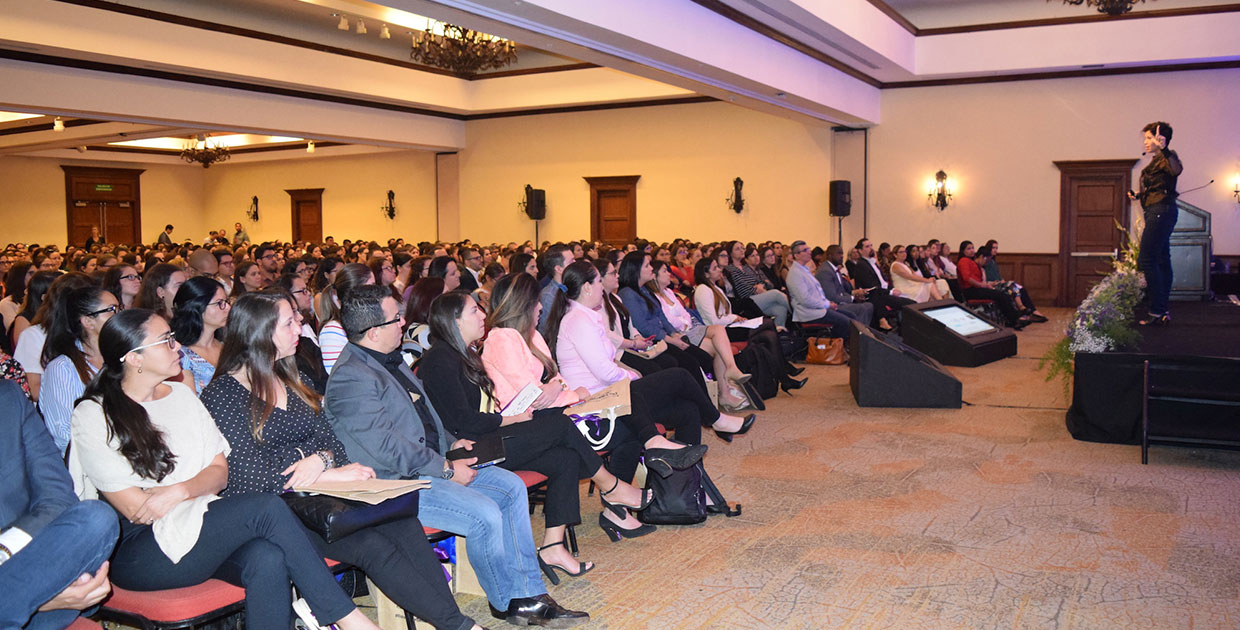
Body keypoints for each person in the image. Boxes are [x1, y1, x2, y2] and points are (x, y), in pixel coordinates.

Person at [68, 309, 383, 630]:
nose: (178, 347)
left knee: (267, 558)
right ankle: (348, 619)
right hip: (142, 550)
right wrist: (196, 485)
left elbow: (220, 472)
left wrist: (179, 490)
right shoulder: (94, 415)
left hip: (200, 520)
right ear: (134, 358)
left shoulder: (180, 395)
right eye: (166, 341)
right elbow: (138, 510)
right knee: (267, 508)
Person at [200, 292, 484, 630]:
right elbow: (247, 476)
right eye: (289, 321)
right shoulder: (223, 394)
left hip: (319, 498)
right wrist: (320, 469)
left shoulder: (294, 380)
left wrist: (319, 461)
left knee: (401, 520)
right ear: (260, 331)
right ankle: (458, 626)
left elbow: (334, 443)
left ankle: (454, 622)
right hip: (276, 517)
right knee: (372, 545)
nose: (300, 327)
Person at [323, 285, 588, 628]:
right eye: (396, 318)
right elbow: (387, 449)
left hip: (431, 463)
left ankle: (528, 594)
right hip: (398, 484)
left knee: (510, 487)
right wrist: (446, 469)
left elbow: (426, 419)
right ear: (374, 332)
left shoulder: (387, 358)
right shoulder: (351, 378)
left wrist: (455, 443)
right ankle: (508, 601)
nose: (403, 323)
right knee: (484, 514)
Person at [422, 291, 656, 577]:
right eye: (474, 311)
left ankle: (553, 547)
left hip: (487, 437)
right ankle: (611, 486)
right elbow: (463, 421)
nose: (483, 315)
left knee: (565, 458)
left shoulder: (464, 352)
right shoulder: (439, 359)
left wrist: (511, 416)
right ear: (454, 320)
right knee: (559, 426)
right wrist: (510, 419)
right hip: (469, 450)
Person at [542, 263, 755, 451]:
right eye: (598, 281)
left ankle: (684, 483)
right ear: (587, 287)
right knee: (679, 376)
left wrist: (630, 374)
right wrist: (634, 376)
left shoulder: (585, 316)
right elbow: (605, 373)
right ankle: (716, 420)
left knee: (688, 411)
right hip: (599, 398)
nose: (602, 286)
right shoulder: (578, 320)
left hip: (612, 391)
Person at [0, 380, 119, 630]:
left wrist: (9, 558)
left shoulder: (8, 397)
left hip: (32, 564)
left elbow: (57, 498)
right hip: (38, 593)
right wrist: (45, 600)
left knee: (96, 518)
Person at [693, 258, 806, 394]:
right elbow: (712, 320)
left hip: (729, 326)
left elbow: (724, 314)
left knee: (768, 333)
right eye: (715, 268)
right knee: (768, 324)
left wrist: (734, 318)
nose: (719, 269)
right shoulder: (703, 290)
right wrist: (735, 317)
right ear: (705, 274)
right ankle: (785, 373)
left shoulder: (715, 288)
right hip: (721, 332)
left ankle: (784, 376)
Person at [38, 286, 119, 453]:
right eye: (111, 310)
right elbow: (63, 433)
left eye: (119, 309)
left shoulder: (123, 356)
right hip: (88, 459)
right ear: (88, 321)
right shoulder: (63, 368)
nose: (119, 316)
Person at [784, 241, 856, 338]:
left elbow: (818, 293)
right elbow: (805, 300)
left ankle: (846, 347)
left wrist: (828, 303)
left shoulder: (804, 270)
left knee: (852, 317)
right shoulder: (795, 274)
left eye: (809, 249)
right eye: (805, 250)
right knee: (845, 322)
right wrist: (826, 304)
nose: (809, 252)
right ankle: (834, 348)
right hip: (809, 314)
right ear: (796, 255)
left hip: (818, 309)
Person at [171, 276, 230, 394]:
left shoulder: (227, 347)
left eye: (226, 302)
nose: (228, 308)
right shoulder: (179, 356)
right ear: (197, 307)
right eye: (219, 303)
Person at [958, 245, 1029, 329]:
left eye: (973, 248)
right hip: (970, 291)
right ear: (963, 251)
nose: (972, 250)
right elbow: (967, 278)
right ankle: (1014, 319)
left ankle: (1013, 318)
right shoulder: (963, 261)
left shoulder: (972, 262)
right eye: (968, 249)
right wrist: (982, 285)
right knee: (1000, 295)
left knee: (1001, 294)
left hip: (977, 288)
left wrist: (984, 285)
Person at [814, 245, 881, 329]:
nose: (842, 256)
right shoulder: (825, 271)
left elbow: (842, 291)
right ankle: (857, 336)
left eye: (842, 253)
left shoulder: (834, 269)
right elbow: (831, 297)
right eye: (838, 254)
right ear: (830, 255)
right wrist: (852, 298)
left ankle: (859, 334)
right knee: (864, 307)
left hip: (839, 302)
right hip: (833, 306)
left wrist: (854, 296)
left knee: (869, 305)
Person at [535, 244, 572, 332]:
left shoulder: (573, 286)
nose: (575, 264)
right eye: (571, 262)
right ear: (559, 269)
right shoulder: (548, 296)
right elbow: (546, 332)